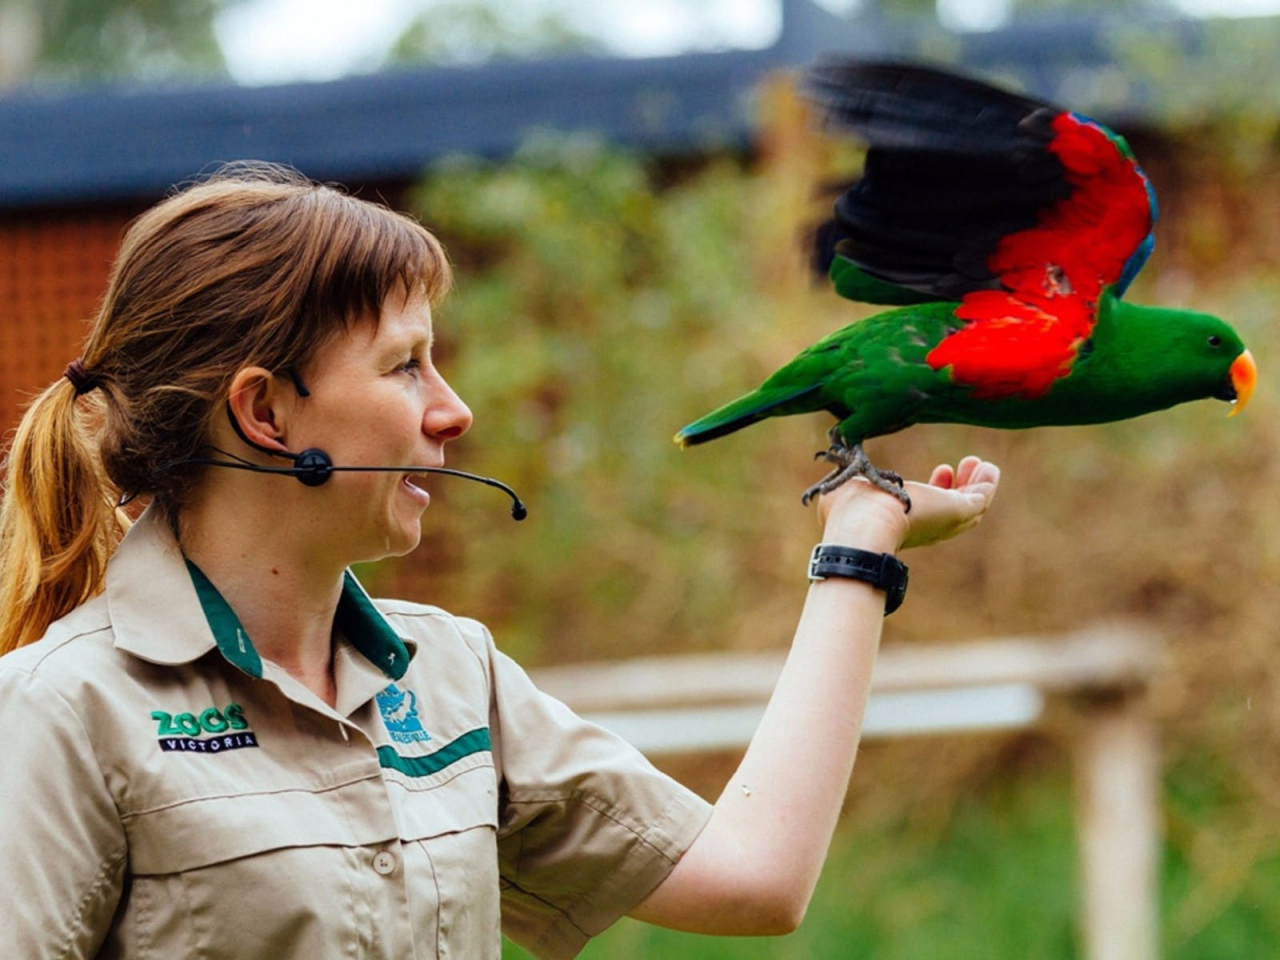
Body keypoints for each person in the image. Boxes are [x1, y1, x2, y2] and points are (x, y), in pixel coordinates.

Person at [0, 163, 999, 959]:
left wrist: (856, 544)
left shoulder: (451, 679)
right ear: (265, 412)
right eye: (404, 364)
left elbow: (754, 879)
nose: (452, 409)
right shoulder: (59, 714)